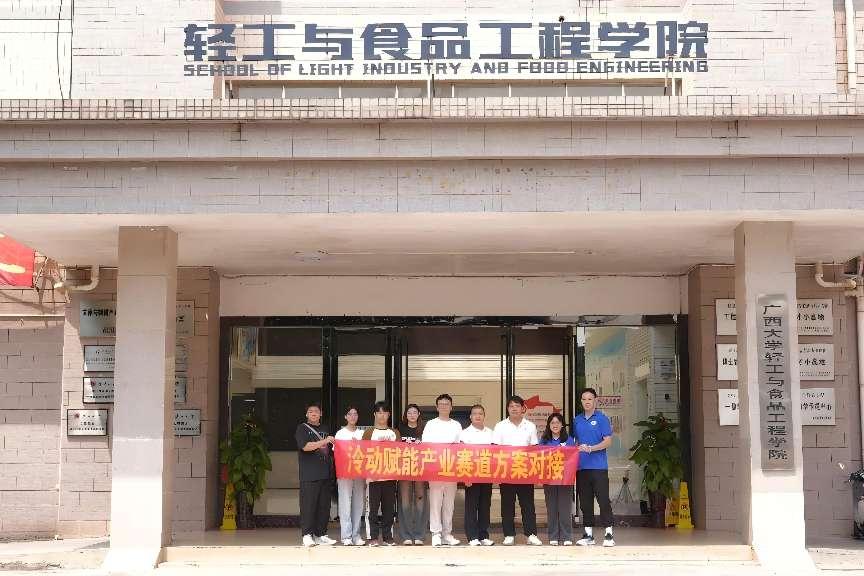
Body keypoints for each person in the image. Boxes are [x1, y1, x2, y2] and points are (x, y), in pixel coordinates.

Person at [493, 395, 542, 546]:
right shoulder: (500, 426)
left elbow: (534, 449)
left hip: (525, 472)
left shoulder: (530, 426)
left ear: (523, 409)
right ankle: (509, 534)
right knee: (507, 504)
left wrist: (535, 472)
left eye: (517, 406)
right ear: (507, 409)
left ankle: (531, 534)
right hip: (506, 471)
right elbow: (495, 449)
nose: (514, 408)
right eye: (511, 406)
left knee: (528, 505)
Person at [572, 388, 615, 547]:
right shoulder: (577, 420)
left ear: (595, 400)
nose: (587, 402)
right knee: (585, 502)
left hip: (599, 467)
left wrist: (591, 448)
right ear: (581, 401)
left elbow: (608, 441)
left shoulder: (602, 418)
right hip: (582, 467)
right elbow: (576, 442)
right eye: (584, 399)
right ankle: (588, 535)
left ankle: (609, 534)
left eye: (590, 399)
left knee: (603, 500)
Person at [421, 393, 463, 547]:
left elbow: (460, 446)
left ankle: (447, 533)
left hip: (451, 467)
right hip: (435, 467)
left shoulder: (456, 425)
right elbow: (425, 444)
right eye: (441, 404)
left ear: (451, 407)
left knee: (449, 503)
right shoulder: (431, 424)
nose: (444, 406)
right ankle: (436, 533)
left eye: (447, 404)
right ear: (437, 407)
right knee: (435, 501)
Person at [295, 402, 337, 547]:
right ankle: (307, 535)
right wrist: (325, 441)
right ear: (307, 414)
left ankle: (321, 535)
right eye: (311, 411)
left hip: (325, 474)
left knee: (323, 507)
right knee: (308, 506)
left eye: (316, 411)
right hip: (309, 475)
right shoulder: (302, 428)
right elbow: (305, 447)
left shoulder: (325, 428)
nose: (314, 413)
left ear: (321, 414)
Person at [362, 401, 400, 546]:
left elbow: (400, 453)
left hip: (390, 476)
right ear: (375, 414)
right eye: (379, 412)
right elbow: (362, 453)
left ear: (388, 414)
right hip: (373, 477)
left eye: (384, 412)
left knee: (389, 509)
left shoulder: (394, 432)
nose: (382, 415)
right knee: (372, 509)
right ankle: (372, 537)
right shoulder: (369, 432)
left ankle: (387, 537)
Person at [459, 404, 495, 546]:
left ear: (484, 416)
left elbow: (496, 454)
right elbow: (461, 455)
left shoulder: (491, 433)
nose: (478, 416)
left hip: (487, 474)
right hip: (471, 474)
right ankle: (472, 536)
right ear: (470, 416)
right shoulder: (464, 433)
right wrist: (465, 476)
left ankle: (483, 535)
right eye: (475, 413)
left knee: (485, 505)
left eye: (480, 413)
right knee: (471, 506)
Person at [539, 413, 576, 546]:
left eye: (557, 422)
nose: (555, 425)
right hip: (549, 479)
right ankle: (553, 536)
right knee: (552, 508)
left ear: (562, 425)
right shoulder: (544, 441)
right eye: (552, 423)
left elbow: (573, 458)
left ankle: (567, 536)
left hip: (565, 479)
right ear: (549, 425)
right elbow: (539, 458)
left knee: (565, 508)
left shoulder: (569, 440)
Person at [335, 405, 366, 546]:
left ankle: (356, 535)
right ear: (345, 417)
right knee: (345, 503)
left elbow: (367, 452)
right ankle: (346, 536)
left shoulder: (362, 434)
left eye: (355, 414)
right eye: (350, 414)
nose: (353, 416)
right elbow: (337, 453)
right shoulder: (340, 433)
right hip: (345, 472)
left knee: (358, 504)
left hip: (359, 472)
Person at [397, 403, 428, 545]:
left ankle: (420, 535)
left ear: (419, 414)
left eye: (415, 412)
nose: (412, 415)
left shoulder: (425, 429)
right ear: (406, 415)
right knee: (405, 503)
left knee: (420, 501)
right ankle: (406, 536)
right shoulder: (399, 429)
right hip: (403, 470)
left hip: (421, 470)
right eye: (409, 412)